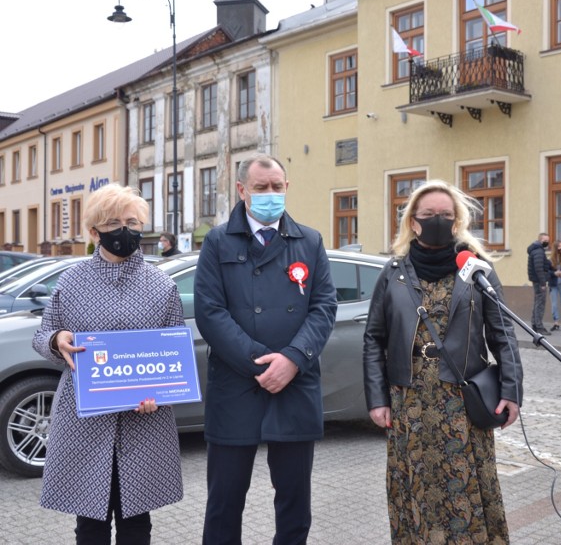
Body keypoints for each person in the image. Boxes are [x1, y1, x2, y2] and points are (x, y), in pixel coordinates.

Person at [363, 180, 523, 544]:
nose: (438, 220)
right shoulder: (393, 272)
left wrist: (512, 390)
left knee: (463, 491)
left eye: (446, 215)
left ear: (457, 220)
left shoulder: (476, 269)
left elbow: (503, 334)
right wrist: (376, 399)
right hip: (410, 402)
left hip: (462, 402)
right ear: (413, 222)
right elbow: (374, 339)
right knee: (416, 488)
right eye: (429, 214)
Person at [194, 153, 337, 545]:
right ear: (242, 191)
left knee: (294, 505)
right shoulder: (218, 241)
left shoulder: (309, 240)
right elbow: (210, 312)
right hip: (236, 386)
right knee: (224, 503)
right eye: (261, 188)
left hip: (294, 385)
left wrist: (292, 359)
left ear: (287, 188)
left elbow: (324, 306)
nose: (270, 194)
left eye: (277, 187)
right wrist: (260, 363)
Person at [32, 183, 184, 545]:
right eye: (114, 222)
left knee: (136, 523)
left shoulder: (161, 285)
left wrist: (159, 393)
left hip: (143, 421)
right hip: (86, 418)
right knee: (90, 524)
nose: (124, 230)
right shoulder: (71, 281)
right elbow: (43, 334)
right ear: (94, 231)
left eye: (132, 221)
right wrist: (57, 341)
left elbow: (173, 349)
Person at [527, 232, 551, 335]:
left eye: (548, 240)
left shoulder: (536, 250)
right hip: (539, 281)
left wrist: (548, 263)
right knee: (540, 304)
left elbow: (540, 264)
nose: (546, 242)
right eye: (544, 240)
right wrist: (542, 283)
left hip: (536, 280)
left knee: (537, 302)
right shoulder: (538, 251)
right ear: (540, 240)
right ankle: (539, 327)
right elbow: (538, 268)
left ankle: (534, 325)